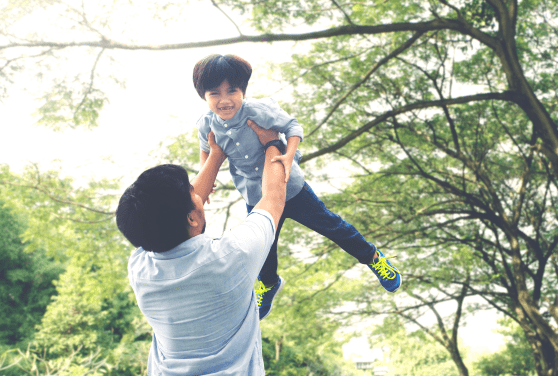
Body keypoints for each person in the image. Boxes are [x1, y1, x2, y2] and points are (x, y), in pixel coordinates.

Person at [193, 54, 402, 321]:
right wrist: (206, 182)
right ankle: (268, 284)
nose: (224, 99)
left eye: (232, 90)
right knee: (263, 249)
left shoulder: (258, 110)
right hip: (255, 196)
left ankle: (373, 257)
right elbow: (207, 153)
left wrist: (289, 154)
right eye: (215, 93)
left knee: (333, 226)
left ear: (242, 90)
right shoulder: (206, 124)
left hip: (290, 187)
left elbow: (293, 126)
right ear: (204, 96)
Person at [116, 124, 287, 375]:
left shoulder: (141, 270)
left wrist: (216, 155)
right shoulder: (233, 256)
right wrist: (274, 143)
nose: (197, 191)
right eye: (192, 190)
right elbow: (273, 197)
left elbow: (175, 214)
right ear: (192, 218)